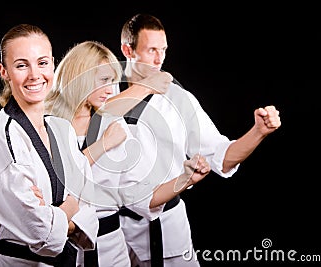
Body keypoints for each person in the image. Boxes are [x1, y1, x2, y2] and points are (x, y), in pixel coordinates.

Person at [107, 13, 282, 267]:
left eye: (163, 50)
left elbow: (222, 158)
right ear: (127, 49)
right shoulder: (104, 94)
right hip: (113, 236)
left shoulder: (179, 100)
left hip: (166, 231)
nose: (159, 60)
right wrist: (147, 87)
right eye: (151, 50)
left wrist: (258, 132)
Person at [44, 40, 212, 267]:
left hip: (112, 250)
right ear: (80, 76)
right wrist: (103, 145)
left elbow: (142, 197)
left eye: (113, 81)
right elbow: (58, 180)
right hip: (59, 251)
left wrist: (186, 178)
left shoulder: (116, 127)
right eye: (103, 80)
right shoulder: (47, 126)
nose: (110, 89)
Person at [0, 24, 98, 267]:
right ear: (4, 72)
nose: (35, 75)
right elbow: (39, 230)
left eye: (42, 62)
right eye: (22, 65)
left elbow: (91, 200)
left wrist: (52, 209)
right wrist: (70, 206)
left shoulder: (61, 129)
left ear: (53, 65)